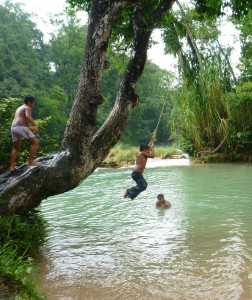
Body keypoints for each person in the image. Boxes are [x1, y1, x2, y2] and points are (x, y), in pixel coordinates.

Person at [9, 95, 40, 172]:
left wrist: (32, 129)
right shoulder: (27, 107)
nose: (34, 105)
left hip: (14, 128)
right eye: (33, 103)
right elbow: (28, 117)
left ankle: (12, 166)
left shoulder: (20, 108)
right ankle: (30, 162)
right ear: (29, 102)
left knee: (16, 148)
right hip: (21, 127)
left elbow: (23, 122)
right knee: (35, 143)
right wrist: (35, 125)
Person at [124, 132, 156, 200]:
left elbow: (148, 146)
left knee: (145, 185)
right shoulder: (142, 153)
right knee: (142, 186)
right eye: (147, 149)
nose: (149, 150)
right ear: (144, 149)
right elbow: (153, 155)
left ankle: (130, 194)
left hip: (137, 174)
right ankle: (128, 191)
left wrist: (152, 138)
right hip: (136, 174)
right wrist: (153, 148)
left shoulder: (143, 152)